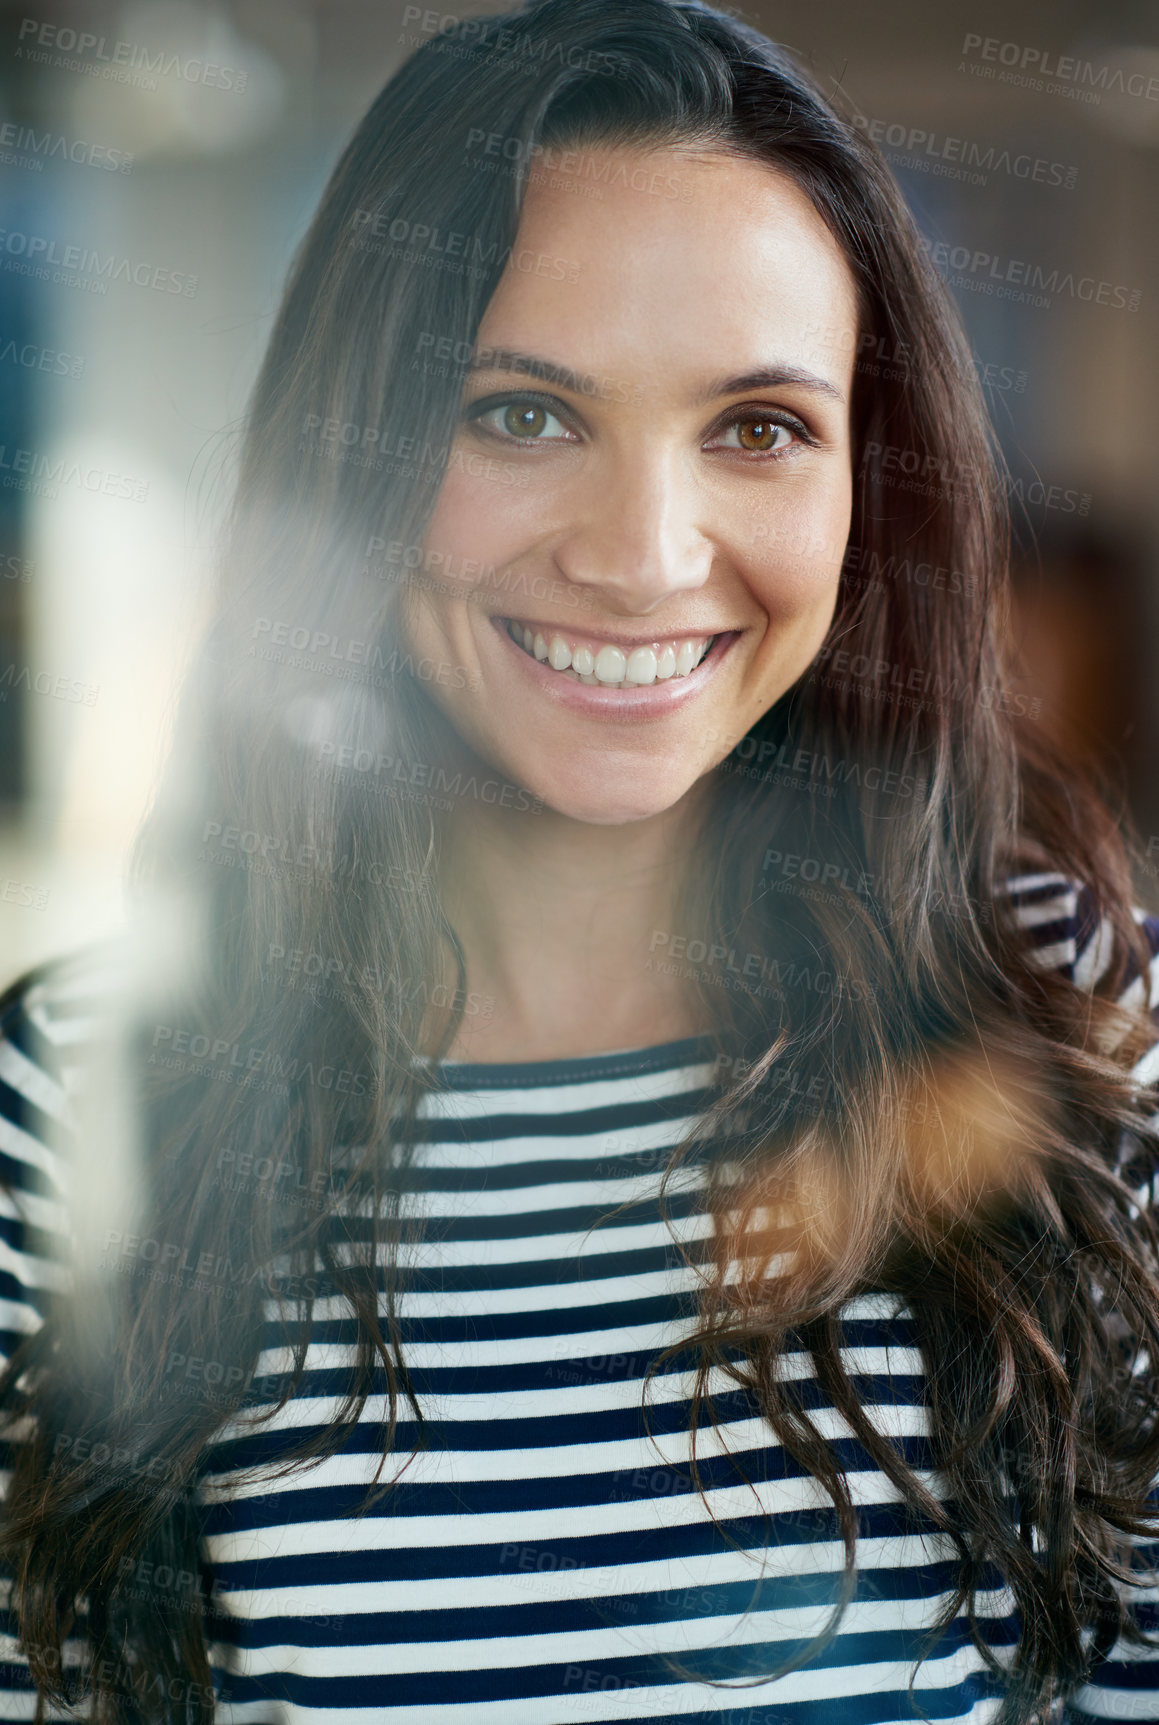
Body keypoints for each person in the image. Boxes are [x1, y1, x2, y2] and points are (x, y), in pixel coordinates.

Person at [1, 0, 1158, 1719]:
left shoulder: (1084, 1030)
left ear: (868, 477)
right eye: (522, 414)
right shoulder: (79, 1093)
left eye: (757, 426)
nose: (642, 555)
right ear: (361, 439)